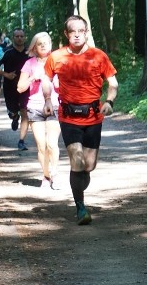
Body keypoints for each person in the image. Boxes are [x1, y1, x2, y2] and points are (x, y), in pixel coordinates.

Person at [43, 15, 118, 225]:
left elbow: (113, 83)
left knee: (89, 165)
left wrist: (110, 102)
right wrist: (48, 100)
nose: (77, 35)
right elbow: (46, 81)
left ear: (86, 33)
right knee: (76, 160)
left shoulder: (99, 56)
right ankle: (81, 208)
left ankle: (79, 184)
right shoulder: (56, 57)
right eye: (72, 31)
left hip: (94, 116)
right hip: (68, 116)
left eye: (81, 31)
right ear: (66, 34)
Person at [17, 32, 61, 190]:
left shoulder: (57, 61)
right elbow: (20, 88)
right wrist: (32, 77)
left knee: (52, 144)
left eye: (46, 43)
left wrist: (58, 82)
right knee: (41, 146)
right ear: (34, 47)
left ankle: (54, 174)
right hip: (35, 107)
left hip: (54, 105)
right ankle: (45, 175)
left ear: (50, 44)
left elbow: (67, 85)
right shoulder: (29, 64)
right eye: (39, 43)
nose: (43, 46)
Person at [0, 28, 31, 150]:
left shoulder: (29, 52)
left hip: (26, 87)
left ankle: (21, 141)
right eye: (17, 36)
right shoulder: (7, 51)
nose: (20, 38)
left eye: (22, 36)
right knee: (13, 111)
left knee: (24, 112)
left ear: (25, 37)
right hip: (10, 87)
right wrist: (7, 75)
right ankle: (14, 117)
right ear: (13, 37)